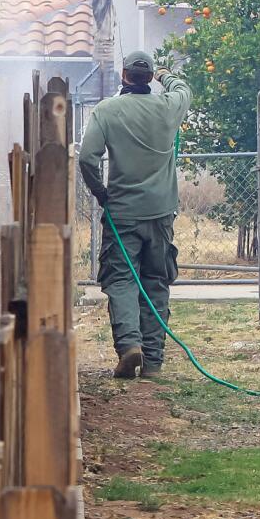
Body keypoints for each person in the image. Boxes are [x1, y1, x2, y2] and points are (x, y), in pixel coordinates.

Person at [79, 50, 192, 380]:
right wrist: (165, 75)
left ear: (123, 77)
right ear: (149, 77)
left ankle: (130, 347)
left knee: (121, 280)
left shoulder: (107, 111)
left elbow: (87, 158)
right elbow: (183, 89)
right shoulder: (168, 107)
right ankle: (154, 362)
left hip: (123, 214)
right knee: (156, 282)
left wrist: (102, 193)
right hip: (161, 214)